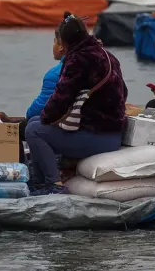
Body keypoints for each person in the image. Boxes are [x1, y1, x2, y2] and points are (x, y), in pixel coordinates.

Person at [25, 13, 128, 195]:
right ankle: (39, 183)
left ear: (64, 42)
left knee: (33, 130)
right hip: (112, 132)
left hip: (98, 136)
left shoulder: (78, 59)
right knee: (34, 122)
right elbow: (124, 93)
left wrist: (46, 118)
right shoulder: (107, 55)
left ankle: (54, 185)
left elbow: (60, 99)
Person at [26, 40, 64, 120]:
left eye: (54, 42)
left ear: (61, 47)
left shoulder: (55, 74)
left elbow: (38, 109)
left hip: (74, 126)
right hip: (91, 122)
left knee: (32, 123)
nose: (53, 45)